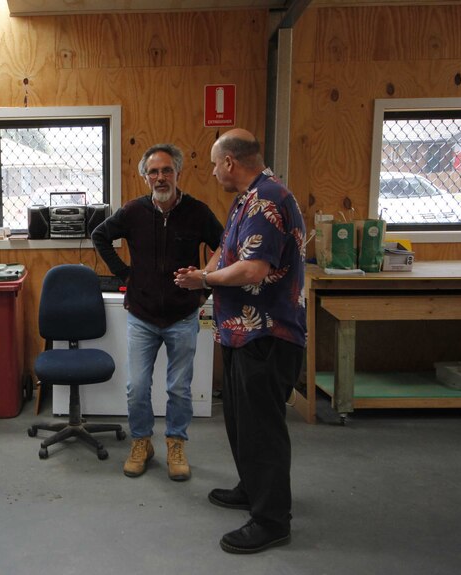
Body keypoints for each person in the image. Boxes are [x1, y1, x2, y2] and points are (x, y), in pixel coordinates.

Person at [174, 129, 306, 554]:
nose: (212, 172)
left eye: (214, 164)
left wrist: (206, 279)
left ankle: (271, 520)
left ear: (230, 162)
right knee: (241, 423)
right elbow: (226, 253)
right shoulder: (245, 202)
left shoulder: (267, 201)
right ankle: (253, 490)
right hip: (239, 333)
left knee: (262, 429)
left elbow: (251, 270)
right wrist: (200, 275)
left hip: (266, 333)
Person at [92, 143, 223, 481]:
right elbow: (100, 235)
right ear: (145, 176)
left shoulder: (197, 212)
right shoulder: (133, 211)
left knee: (179, 388)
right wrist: (125, 274)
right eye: (154, 171)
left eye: (166, 170)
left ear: (178, 173)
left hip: (183, 315)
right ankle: (142, 442)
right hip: (142, 314)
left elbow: (225, 245)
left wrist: (205, 282)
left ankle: (176, 443)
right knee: (137, 386)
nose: (160, 177)